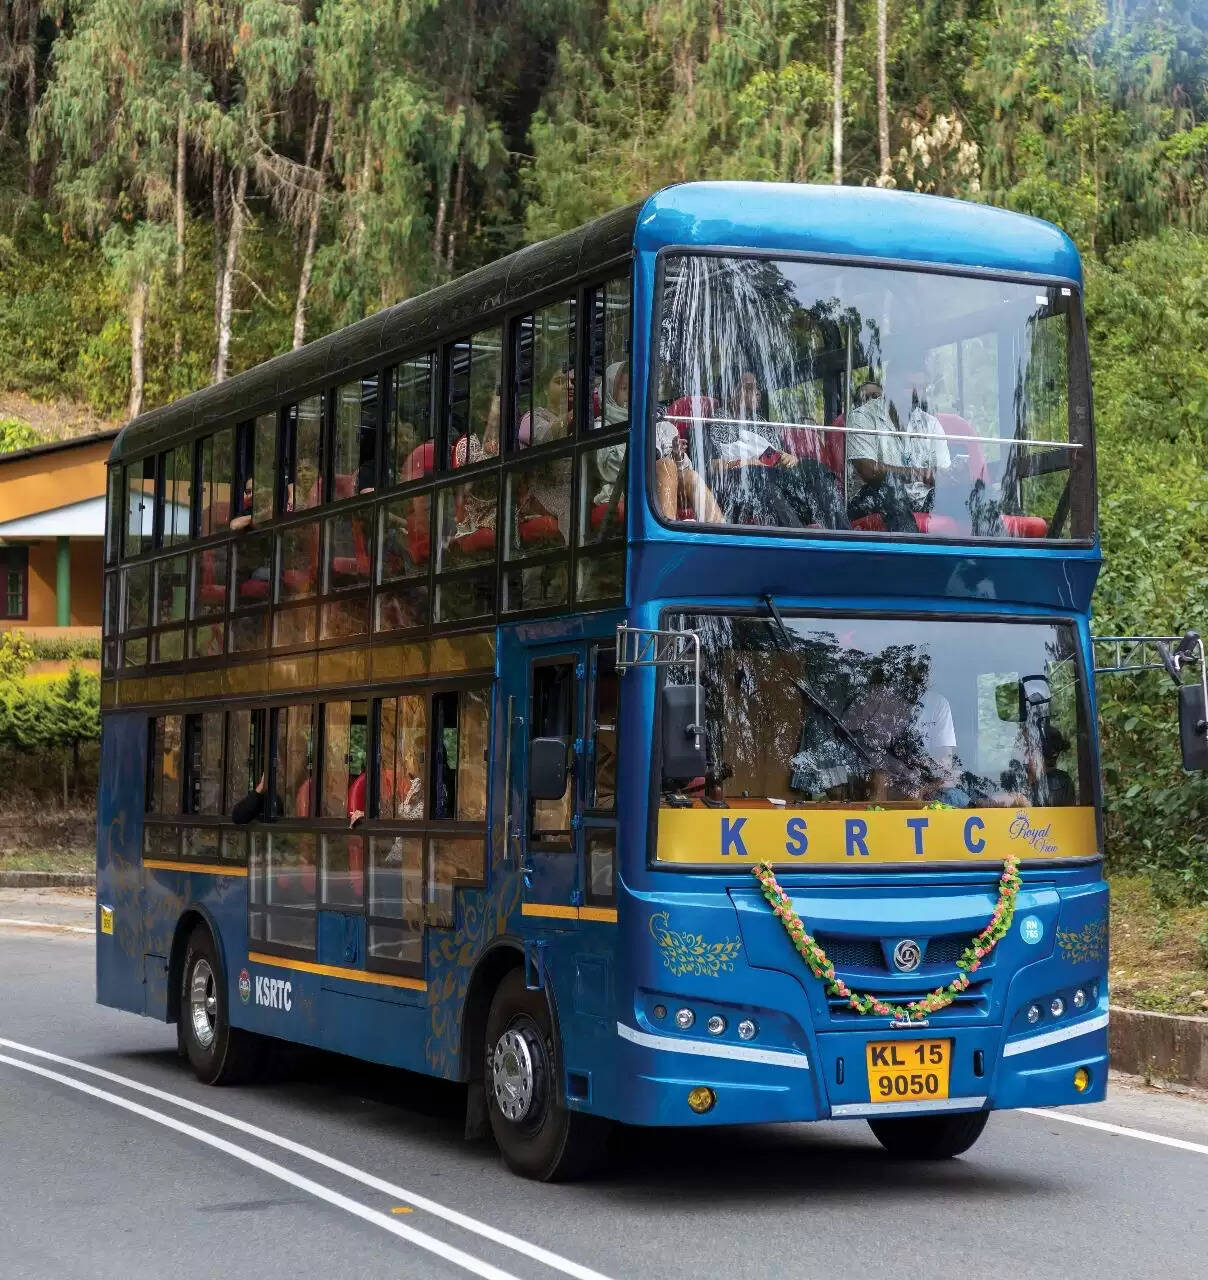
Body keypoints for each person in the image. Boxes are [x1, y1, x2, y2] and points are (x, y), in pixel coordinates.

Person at [706, 369, 848, 529]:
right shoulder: (717, 421)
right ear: (730, 393)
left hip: (775, 477)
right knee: (757, 476)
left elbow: (775, 455)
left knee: (815, 469)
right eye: (749, 388)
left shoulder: (761, 423)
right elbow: (713, 466)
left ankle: (845, 537)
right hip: (743, 485)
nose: (757, 393)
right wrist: (748, 462)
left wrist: (788, 457)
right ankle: (797, 540)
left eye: (757, 388)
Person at [846, 360, 952, 532]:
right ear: (890, 385)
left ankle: (994, 554)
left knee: (974, 494)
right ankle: (912, 557)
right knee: (891, 486)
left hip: (922, 498)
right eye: (909, 386)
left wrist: (953, 478)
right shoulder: (862, 417)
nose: (917, 393)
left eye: (922, 386)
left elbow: (943, 470)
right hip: (874, 497)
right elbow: (868, 470)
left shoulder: (930, 423)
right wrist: (918, 474)